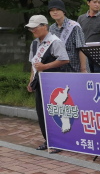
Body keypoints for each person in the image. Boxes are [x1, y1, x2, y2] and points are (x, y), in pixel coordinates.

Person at [25, 15, 70, 153]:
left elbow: (64, 59)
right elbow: (34, 64)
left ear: (44, 26)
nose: (33, 30)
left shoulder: (54, 41)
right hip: (39, 82)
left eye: (35, 27)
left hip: (54, 83)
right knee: (41, 112)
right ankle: (48, 140)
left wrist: (45, 66)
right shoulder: (34, 43)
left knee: (54, 112)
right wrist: (31, 80)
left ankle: (59, 142)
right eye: (31, 28)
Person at [48, 0, 87, 73]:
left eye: (58, 9)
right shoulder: (52, 28)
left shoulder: (74, 26)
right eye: (52, 10)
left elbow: (82, 48)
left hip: (75, 68)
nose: (55, 12)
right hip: (58, 69)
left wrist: (83, 69)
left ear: (63, 11)